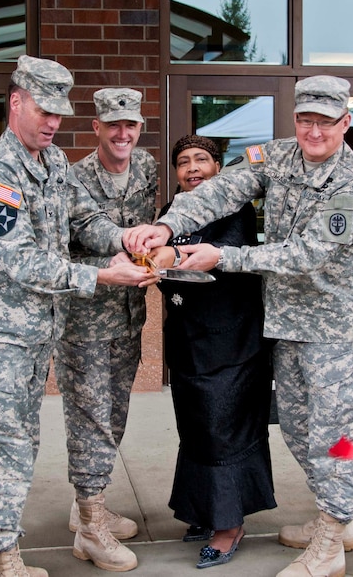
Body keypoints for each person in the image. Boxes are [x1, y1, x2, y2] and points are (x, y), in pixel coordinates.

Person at [125, 75, 353, 577]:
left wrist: (223, 255)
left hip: (330, 328)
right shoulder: (279, 155)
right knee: (297, 428)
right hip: (283, 320)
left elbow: (305, 254)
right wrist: (169, 225)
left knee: (331, 433)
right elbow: (225, 188)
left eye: (325, 123)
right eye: (305, 120)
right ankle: (337, 518)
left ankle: (331, 541)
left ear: (345, 124)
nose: (313, 132)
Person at [0, 55, 155, 577]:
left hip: (34, 336)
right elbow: (20, 261)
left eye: (59, 113)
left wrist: (122, 243)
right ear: (16, 102)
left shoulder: (52, 163)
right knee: (5, 450)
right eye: (43, 110)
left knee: (13, 447)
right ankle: (0, 560)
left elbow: (82, 218)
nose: (52, 122)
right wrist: (100, 276)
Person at [146, 134, 275, 570]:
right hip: (189, 341)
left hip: (234, 341)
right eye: (183, 162)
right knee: (198, 426)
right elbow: (161, 270)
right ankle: (204, 511)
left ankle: (229, 524)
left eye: (202, 159)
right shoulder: (170, 212)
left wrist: (171, 256)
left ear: (219, 167)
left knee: (225, 427)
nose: (193, 168)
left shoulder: (236, 209)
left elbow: (225, 258)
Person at [55, 87, 158, 573]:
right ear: (95, 127)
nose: (123, 134)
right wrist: (127, 242)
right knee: (89, 418)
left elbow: (154, 221)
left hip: (129, 315)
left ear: (139, 128)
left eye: (131, 125)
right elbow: (89, 227)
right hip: (86, 319)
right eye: (113, 124)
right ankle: (91, 529)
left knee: (114, 414)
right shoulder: (72, 177)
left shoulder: (148, 168)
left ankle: (86, 505)